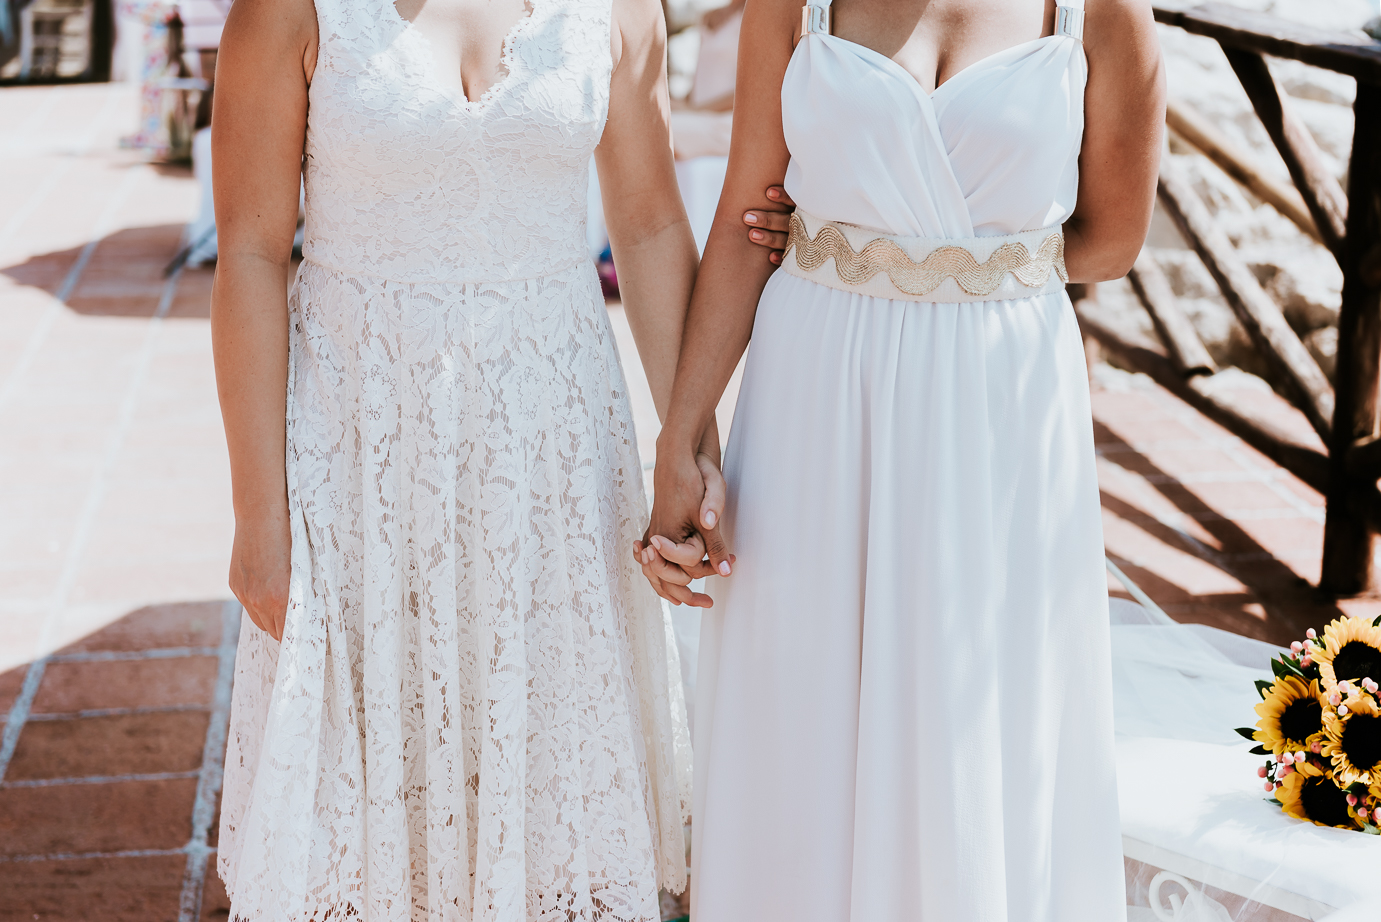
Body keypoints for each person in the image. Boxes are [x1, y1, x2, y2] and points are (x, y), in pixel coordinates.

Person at [639, 0, 1165, 917]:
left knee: (974, 729)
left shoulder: (1099, 10)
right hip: (818, 405)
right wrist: (680, 437)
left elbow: (1112, 237)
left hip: (998, 415)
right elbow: (740, 222)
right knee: (804, 715)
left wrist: (969, 271)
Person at [207, 0, 726, 915]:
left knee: (544, 784)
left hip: (553, 461)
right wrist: (259, 514)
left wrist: (687, 441)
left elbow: (646, 225)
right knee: (368, 805)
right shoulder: (290, 9)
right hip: (364, 455)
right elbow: (250, 252)